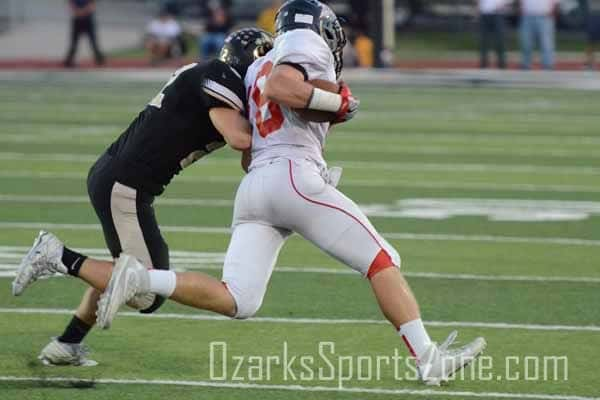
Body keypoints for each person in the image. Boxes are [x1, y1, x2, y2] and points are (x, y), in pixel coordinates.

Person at [16, 1, 486, 386]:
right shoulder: (274, 59)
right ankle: (427, 357)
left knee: (240, 299)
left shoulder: (246, 74)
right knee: (381, 259)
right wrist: (337, 102)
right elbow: (274, 100)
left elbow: (254, 140)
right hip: (278, 177)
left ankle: (94, 318)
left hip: (258, 186)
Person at [12, 28, 274, 367]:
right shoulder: (220, 76)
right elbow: (239, 139)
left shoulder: (210, 72)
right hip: (127, 184)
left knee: (129, 269)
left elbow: (247, 159)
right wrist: (276, 126)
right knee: (146, 291)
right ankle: (57, 256)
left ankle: (67, 343)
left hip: (122, 179)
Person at [64, 0, 105, 67]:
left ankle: (99, 59)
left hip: (88, 19)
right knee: (74, 42)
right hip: (77, 19)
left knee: (93, 41)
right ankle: (69, 61)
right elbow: (71, 4)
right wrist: (77, 11)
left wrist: (83, 12)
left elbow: (92, 5)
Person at [519, 0, 558, 70]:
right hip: (527, 16)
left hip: (544, 16)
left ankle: (548, 67)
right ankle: (525, 66)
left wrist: (552, 11)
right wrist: (521, 9)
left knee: (546, 44)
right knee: (526, 43)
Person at [478, 0, 508, 69]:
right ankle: (483, 64)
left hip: (498, 14)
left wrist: (502, 4)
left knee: (500, 40)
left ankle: (502, 64)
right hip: (484, 13)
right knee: (483, 41)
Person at [581, 0, 600, 69]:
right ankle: (589, 63)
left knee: (591, 42)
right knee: (590, 42)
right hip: (592, 15)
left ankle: (590, 63)